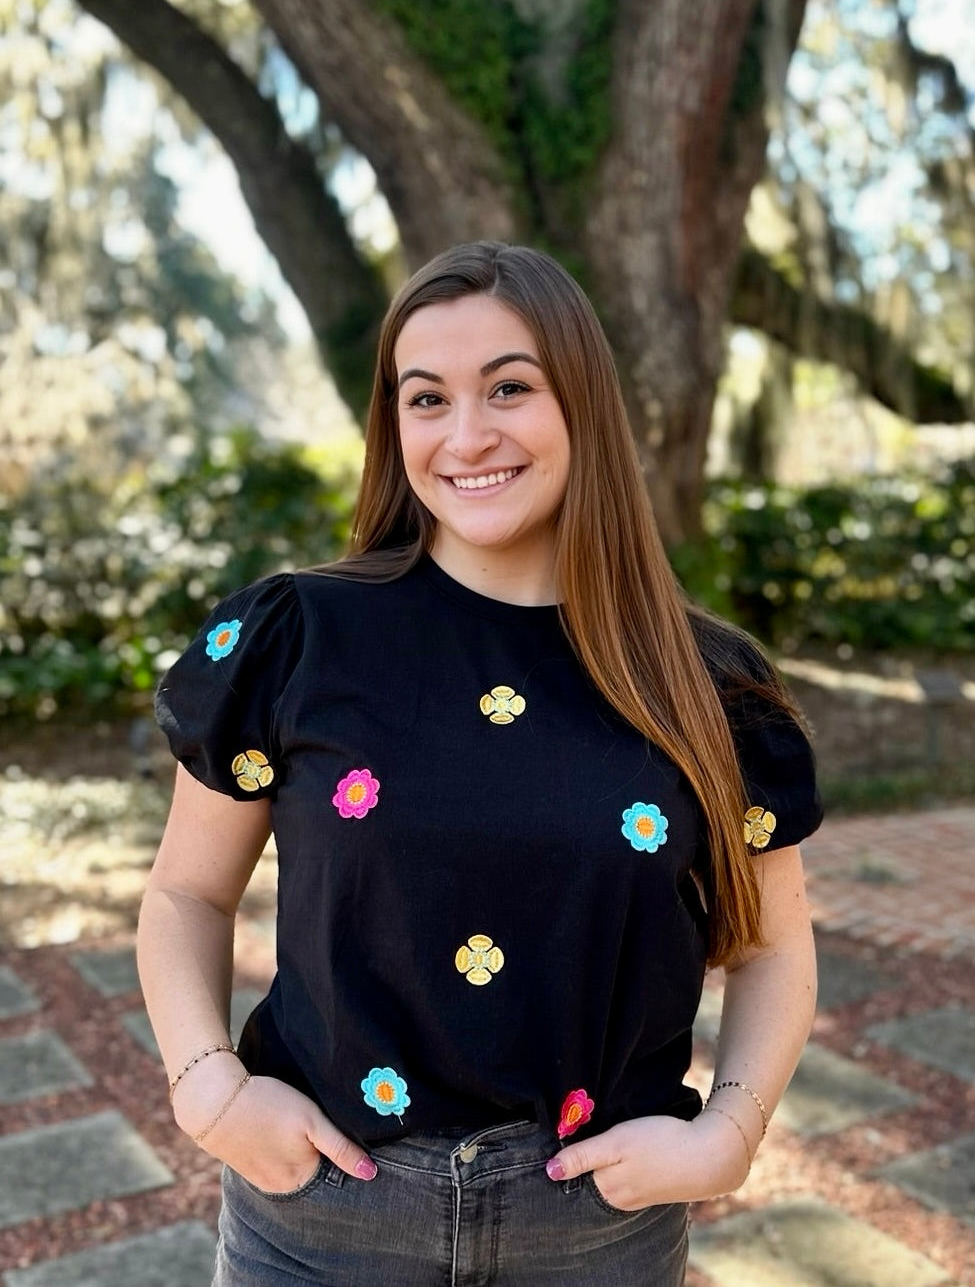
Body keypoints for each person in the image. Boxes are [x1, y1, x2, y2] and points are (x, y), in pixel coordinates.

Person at [142, 240, 822, 1286]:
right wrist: (209, 1089)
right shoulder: (298, 636)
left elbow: (774, 947)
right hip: (323, 1220)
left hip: (598, 1232)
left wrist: (729, 1133)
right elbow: (187, 890)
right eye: (427, 399)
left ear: (582, 404)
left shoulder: (706, 680)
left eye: (509, 387)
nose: (467, 435)